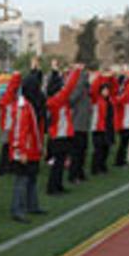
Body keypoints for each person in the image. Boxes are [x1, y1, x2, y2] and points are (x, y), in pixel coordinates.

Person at [10, 72, 48, 224]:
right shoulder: (23, 107)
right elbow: (19, 130)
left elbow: (37, 128)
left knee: (32, 178)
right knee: (22, 180)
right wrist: (20, 151)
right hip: (24, 149)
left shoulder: (34, 105)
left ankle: (32, 205)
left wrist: (40, 146)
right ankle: (17, 209)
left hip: (32, 148)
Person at [45, 66, 82, 195]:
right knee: (58, 163)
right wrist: (76, 71)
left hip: (62, 133)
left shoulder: (56, 100)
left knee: (60, 163)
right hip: (59, 134)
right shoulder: (56, 100)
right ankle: (52, 187)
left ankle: (58, 185)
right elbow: (69, 87)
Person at [89, 73, 115, 175]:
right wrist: (100, 76)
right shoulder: (96, 99)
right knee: (98, 149)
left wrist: (110, 77)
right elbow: (94, 88)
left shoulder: (109, 100)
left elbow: (114, 87)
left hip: (108, 126)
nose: (106, 91)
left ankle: (102, 166)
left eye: (107, 90)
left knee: (106, 148)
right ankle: (95, 168)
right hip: (98, 127)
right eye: (104, 90)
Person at [68, 70, 91, 184]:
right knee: (77, 152)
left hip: (83, 125)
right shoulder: (79, 89)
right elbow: (71, 100)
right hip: (77, 125)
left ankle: (80, 172)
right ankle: (73, 175)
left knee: (82, 151)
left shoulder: (87, 90)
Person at [0, 71, 22, 176]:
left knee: (8, 146)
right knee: (7, 146)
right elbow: (12, 88)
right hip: (9, 124)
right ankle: (5, 168)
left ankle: (7, 167)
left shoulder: (9, 96)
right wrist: (17, 76)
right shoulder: (9, 96)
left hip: (8, 123)